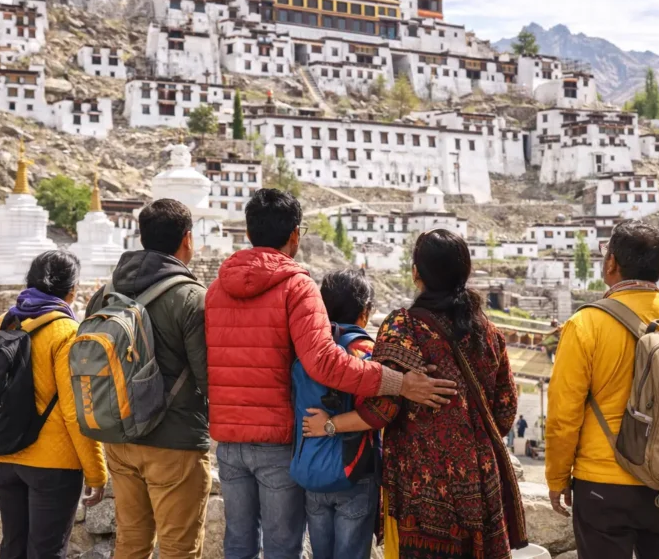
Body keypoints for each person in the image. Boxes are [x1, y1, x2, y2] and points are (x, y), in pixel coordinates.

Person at [205, 189, 458, 559]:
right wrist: (399, 382)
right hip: (278, 440)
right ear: (294, 235)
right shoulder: (296, 285)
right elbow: (323, 362)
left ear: (248, 231)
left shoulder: (216, 290)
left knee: (239, 543)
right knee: (281, 546)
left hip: (228, 440)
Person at [303, 229, 528, 558]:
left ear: (416, 273)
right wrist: (466, 438)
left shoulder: (403, 327)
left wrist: (331, 424)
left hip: (418, 483)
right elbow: (505, 411)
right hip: (479, 480)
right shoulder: (488, 332)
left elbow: (382, 411)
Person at [545, 220, 659, 559]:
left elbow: (564, 415)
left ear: (610, 264)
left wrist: (557, 478)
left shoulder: (585, 325)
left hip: (604, 484)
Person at [84, 199, 211, 559]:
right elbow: (208, 378)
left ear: (141, 237)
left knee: (131, 542)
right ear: (187, 239)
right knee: (178, 549)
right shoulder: (191, 298)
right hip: (174, 444)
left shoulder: (105, 294)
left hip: (119, 438)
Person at [0, 251, 107, 559]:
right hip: (53, 467)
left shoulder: (3, 323)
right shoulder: (67, 333)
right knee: (46, 551)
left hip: (6, 457)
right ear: (72, 291)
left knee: (12, 547)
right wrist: (96, 472)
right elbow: (75, 409)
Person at [301, 269, 380, 559]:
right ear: (364, 312)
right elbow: (375, 412)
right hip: (354, 473)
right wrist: (331, 425)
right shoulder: (365, 351)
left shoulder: (307, 346)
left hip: (312, 468)